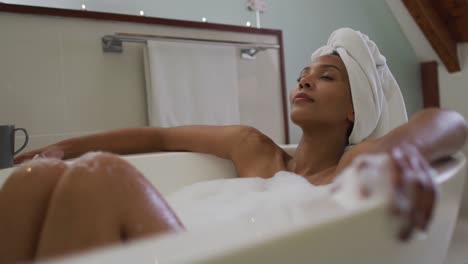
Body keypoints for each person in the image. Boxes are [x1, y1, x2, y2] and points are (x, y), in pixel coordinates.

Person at [1, 28, 467, 263]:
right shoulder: (254, 150)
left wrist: (402, 151)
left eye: (327, 77)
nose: (305, 79)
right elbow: (158, 137)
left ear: (355, 111)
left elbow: (450, 121)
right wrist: (63, 147)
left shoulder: (354, 165)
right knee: (34, 180)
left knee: (102, 181)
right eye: (305, 74)